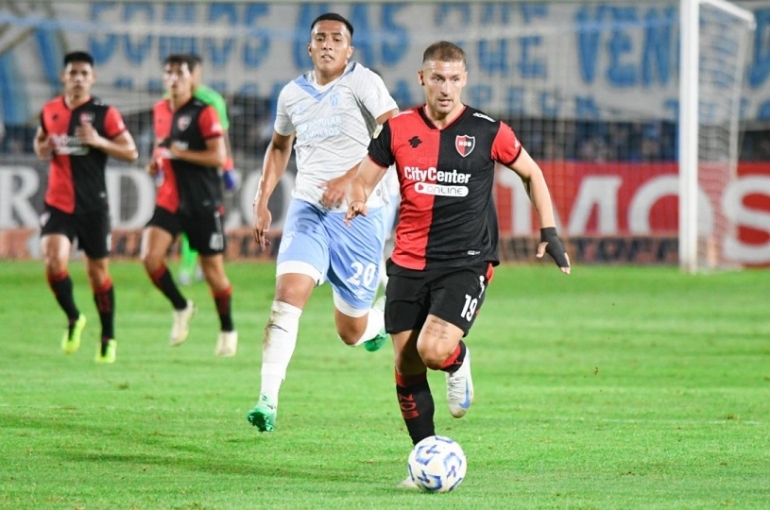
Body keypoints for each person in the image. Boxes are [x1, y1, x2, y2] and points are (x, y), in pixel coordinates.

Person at [344, 41, 571, 487]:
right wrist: (357, 200)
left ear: (464, 79)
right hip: (408, 262)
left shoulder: (488, 130)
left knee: (433, 350)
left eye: (453, 78)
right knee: (407, 364)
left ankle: (457, 360)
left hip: (466, 262)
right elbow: (363, 179)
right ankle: (423, 457)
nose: (445, 88)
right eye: (437, 78)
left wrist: (550, 233)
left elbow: (532, 173)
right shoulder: (398, 129)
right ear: (422, 79)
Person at [247, 12, 399, 432]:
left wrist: (351, 179)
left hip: (360, 214)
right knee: (287, 294)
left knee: (350, 331)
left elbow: (396, 134)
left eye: (337, 39)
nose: (328, 44)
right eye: (320, 38)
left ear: (349, 50)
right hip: (308, 206)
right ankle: (267, 399)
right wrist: (262, 199)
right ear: (309, 47)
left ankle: (381, 320)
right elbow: (279, 147)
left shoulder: (363, 82)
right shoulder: (291, 95)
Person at [33, 50, 138, 363]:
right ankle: (73, 317)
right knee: (53, 260)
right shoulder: (50, 110)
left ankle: (108, 336)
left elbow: (130, 152)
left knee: (97, 274)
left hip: (94, 207)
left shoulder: (105, 114)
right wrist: (44, 146)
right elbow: (40, 144)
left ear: (92, 79)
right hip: (59, 204)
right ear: (64, 77)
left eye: (83, 74)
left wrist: (99, 141)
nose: (77, 78)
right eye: (72, 73)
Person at [141, 54, 238, 357]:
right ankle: (182, 307)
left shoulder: (205, 112)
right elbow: (163, 147)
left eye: (179, 73)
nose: (173, 78)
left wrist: (178, 153)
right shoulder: (159, 110)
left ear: (191, 78)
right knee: (149, 257)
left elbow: (217, 157)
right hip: (170, 199)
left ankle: (227, 328)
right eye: (168, 73)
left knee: (214, 273)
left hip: (202, 201)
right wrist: (156, 163)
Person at [177, 53, 238, 286]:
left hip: (208, 169)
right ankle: (187, 267)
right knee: (186, 217)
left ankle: (206, 263)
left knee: (208, 218)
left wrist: (228, 166)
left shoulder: (212, 100)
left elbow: (223, 135)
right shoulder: (170, 99)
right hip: (182, 168)